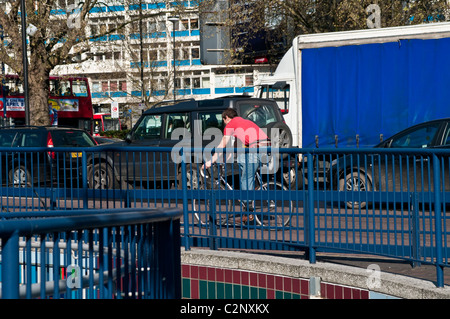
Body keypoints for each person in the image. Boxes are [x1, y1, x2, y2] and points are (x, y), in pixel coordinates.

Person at [202, 108, 269, 224]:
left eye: (223, 121)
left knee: (245, 179)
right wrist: (225, 158)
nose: (224, 124)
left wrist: (211, 161)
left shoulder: (230, 125)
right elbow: (234, 147)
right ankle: (250, 196)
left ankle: (249, 212)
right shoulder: (243, 122)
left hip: (256, 148)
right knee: (242, 161)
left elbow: (222, 144)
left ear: (226, 117)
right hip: (264, 145)